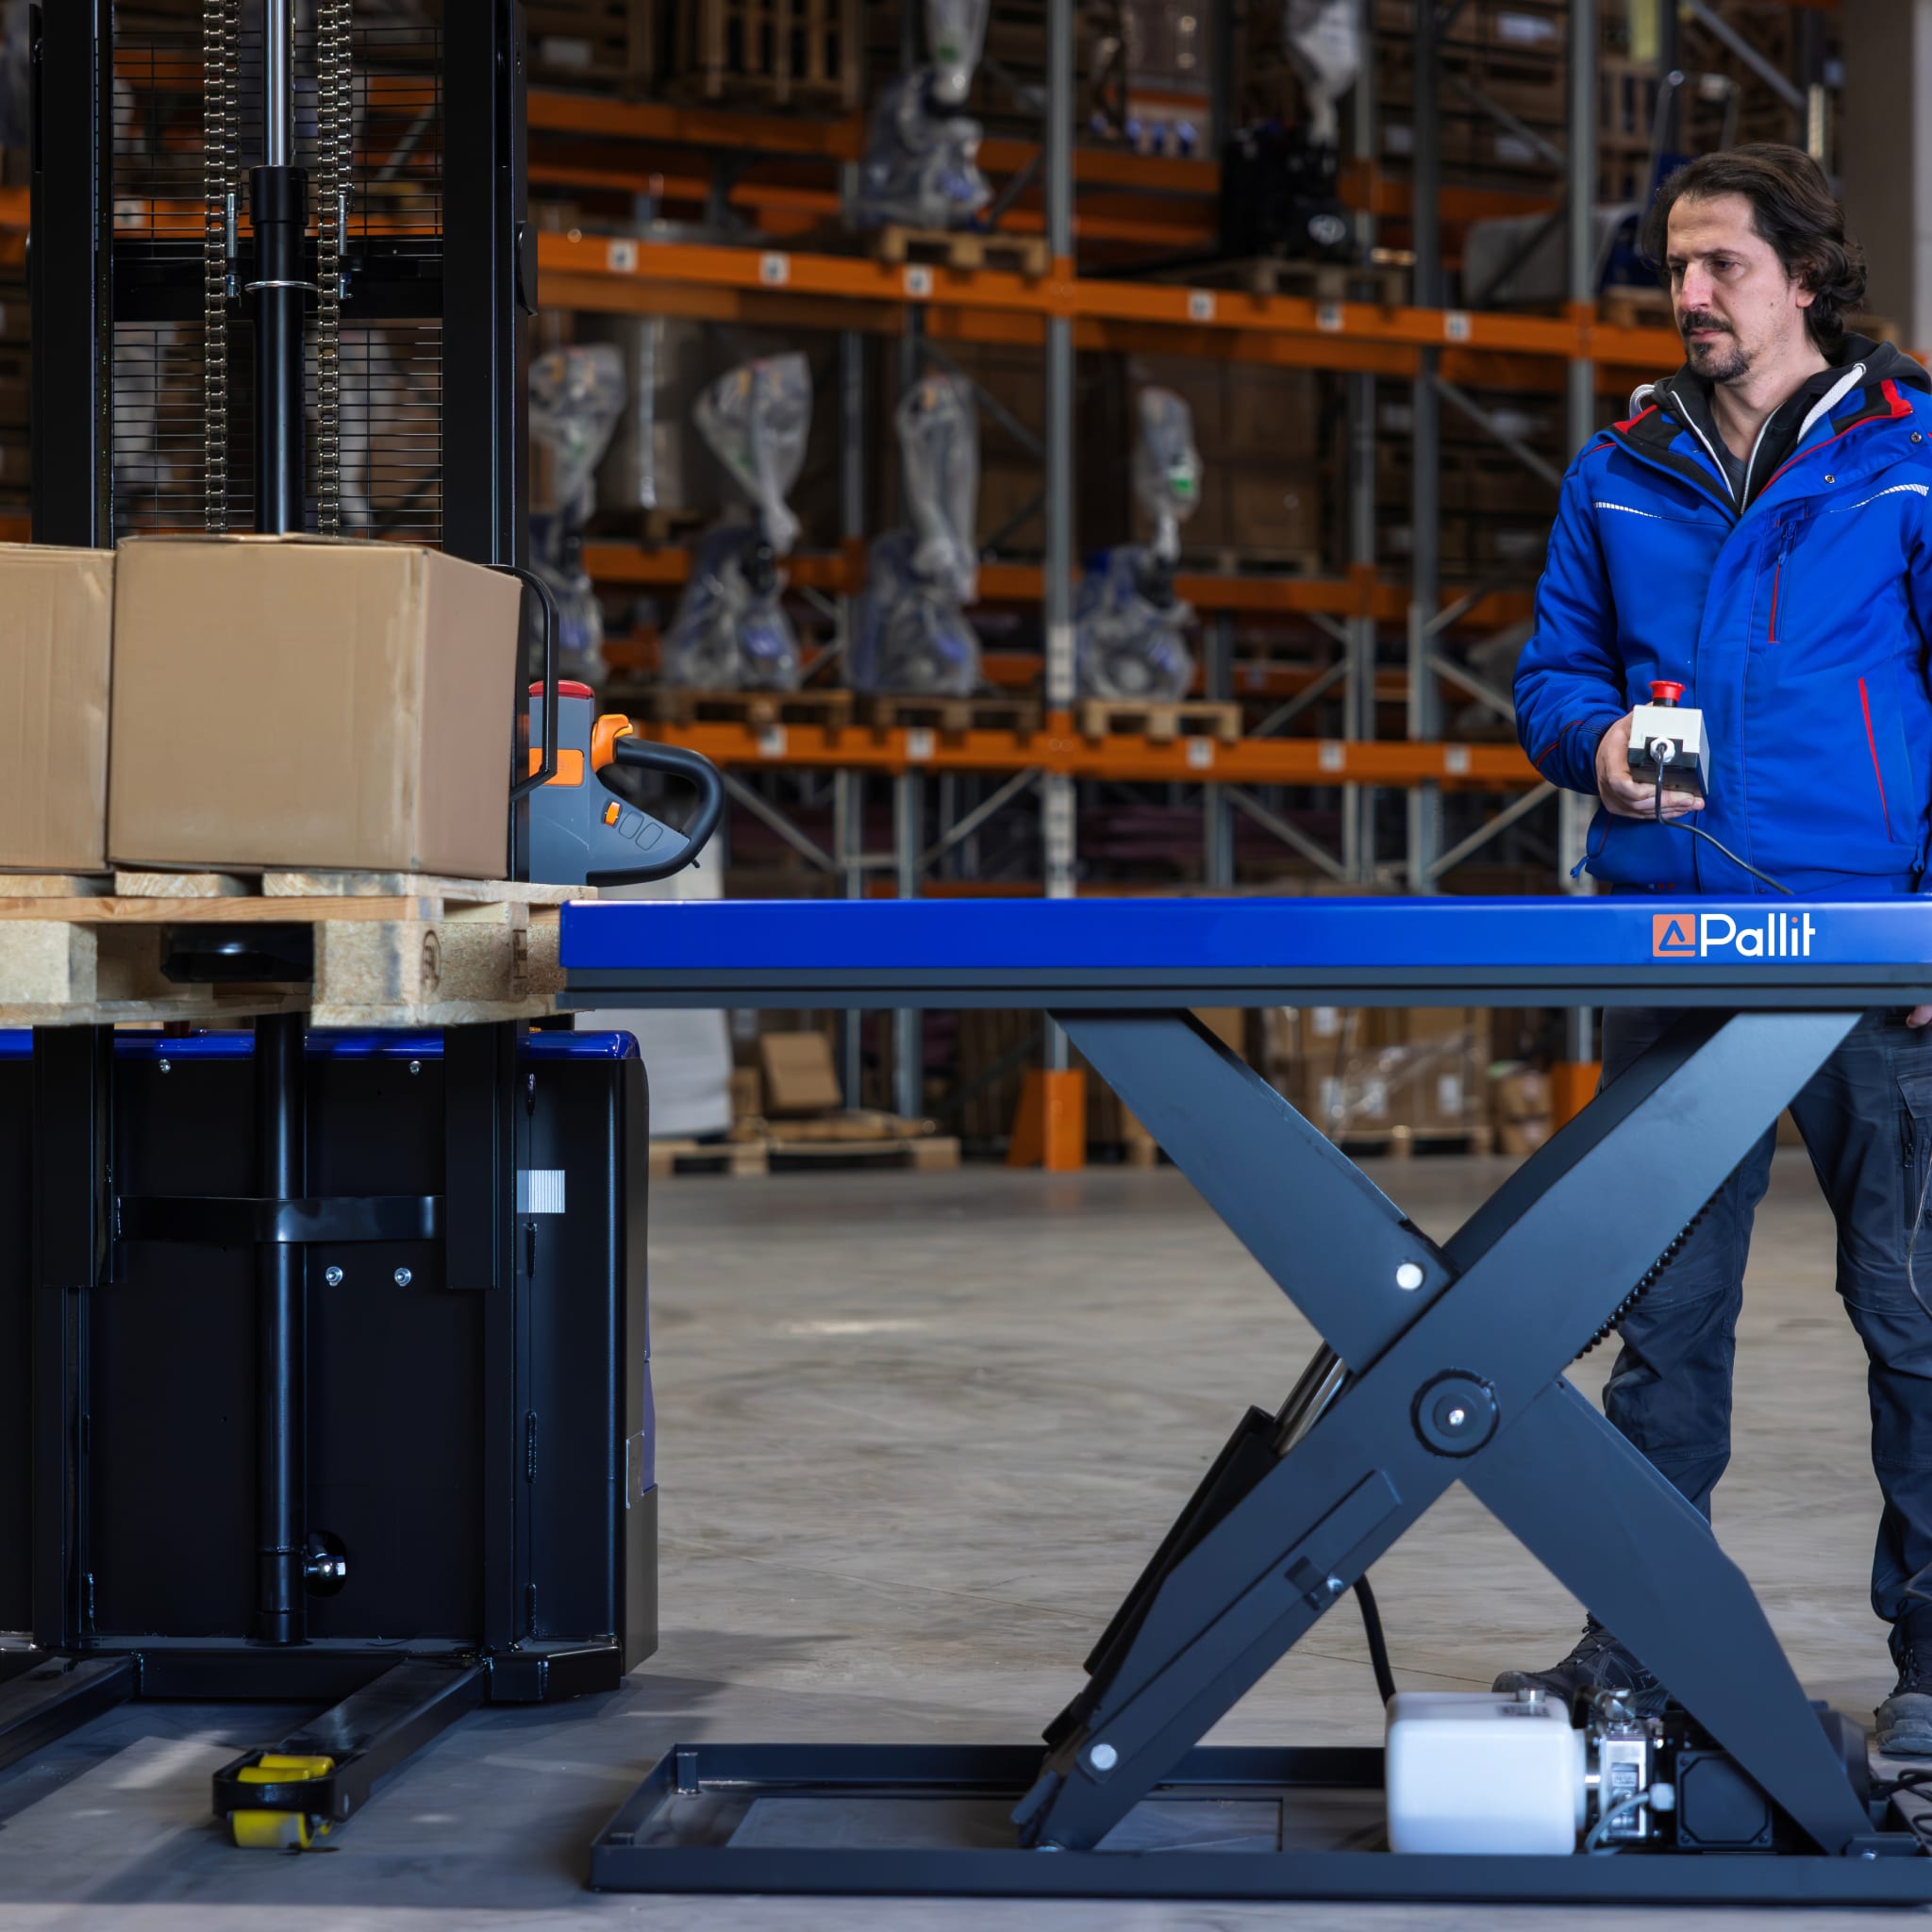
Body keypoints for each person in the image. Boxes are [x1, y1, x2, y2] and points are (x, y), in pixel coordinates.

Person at [1507, 143, 1932, 1755]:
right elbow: (1553, 674)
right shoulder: (1620, 467)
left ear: (1804, 277)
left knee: (1915, 1313)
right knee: (1665, 1319)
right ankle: (1643, 1644)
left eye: (1721, 265)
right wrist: (1598, 742)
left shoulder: (1909, 459)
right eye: (1675, 266)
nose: (1687, 293)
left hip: (1873, 952)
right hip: (1675, 944)